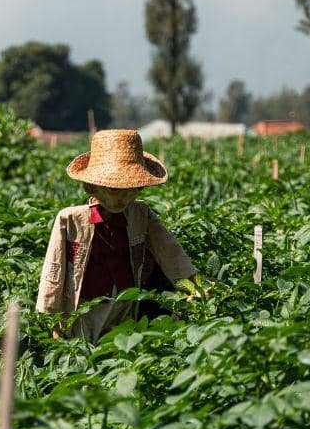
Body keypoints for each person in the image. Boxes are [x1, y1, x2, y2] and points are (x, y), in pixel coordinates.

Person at [35, 129, 207, 343]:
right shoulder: (70, 220)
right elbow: (54, 270)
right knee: (83, 347)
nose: (122, 199)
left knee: (121, 348)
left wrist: (195, 286)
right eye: (113, 190)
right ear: (91, 187)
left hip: (125, 306)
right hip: (85, 309)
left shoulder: (140, 214)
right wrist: (51, 317)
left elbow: (169, 252)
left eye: (130, 190)